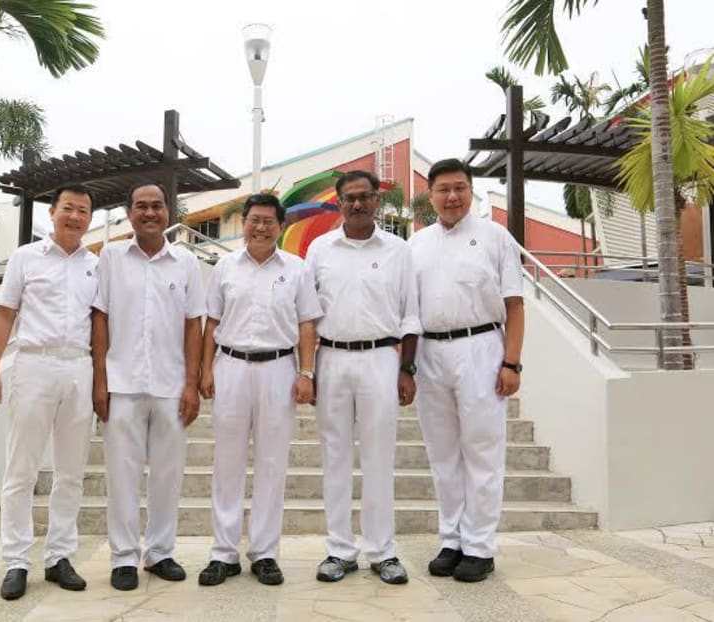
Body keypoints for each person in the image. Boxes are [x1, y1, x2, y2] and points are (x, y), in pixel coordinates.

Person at [409, 158, 524, 583]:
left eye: (460, 188)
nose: (452, 196)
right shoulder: (415, 244)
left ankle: (479, 546)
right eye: (443, 189)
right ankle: (451, 540)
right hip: (430, 352)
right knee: (443, 454)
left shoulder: (495, 237)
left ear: (470, 191)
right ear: (431, 194)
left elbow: (514, 305)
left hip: (480, 349)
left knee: (482, 451)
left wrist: (511, 362)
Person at [197, 193, 322, 586]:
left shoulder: (298, 269)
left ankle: (266, 553)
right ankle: (223, 553)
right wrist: (205, 370)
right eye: (254, 219)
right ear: (244, 222)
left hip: (279, 370)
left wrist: (307, 373)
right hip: (231, 366)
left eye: (269, 220)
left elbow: (307, 325)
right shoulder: (225, 268)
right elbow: (212, 324)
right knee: (227, 464)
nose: (260, 226)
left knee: (272, 464)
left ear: (280, 226)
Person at [0, 184, 98, 601]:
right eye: (68, 208)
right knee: (21, 469)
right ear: (52, 212)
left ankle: (59, 557)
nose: (75, 216)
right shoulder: (25, 258)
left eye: (83, 211)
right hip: (34, 364)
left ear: (90, 218)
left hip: (78, 367)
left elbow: (100, 326)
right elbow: (4, 314)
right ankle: (16, 561)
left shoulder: (95, 265)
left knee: (70, 471)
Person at [304, 170, 421, 585]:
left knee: (378, 457)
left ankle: (383, 552)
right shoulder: (319, 249)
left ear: (377, 200)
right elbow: (307, 315)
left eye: (365, 197)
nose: (357, 204)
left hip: (381, 359)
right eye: (349, 198)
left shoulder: (398, 250)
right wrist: (309, 370)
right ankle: (339, 550)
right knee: (334, 457)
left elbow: (410, 316)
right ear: (338, 202)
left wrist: (407, 369)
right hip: (332, 358)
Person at [91, 183, 205, 591]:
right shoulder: (110, 257)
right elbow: (99, 317)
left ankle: (160, 553)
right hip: (122, 382)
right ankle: (123, 558)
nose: (150, 213)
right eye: (141, 206)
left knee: (167, 474)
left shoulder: (186, 262)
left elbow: (196, 324)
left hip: (172, 385)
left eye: (157, 206)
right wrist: (100, 379)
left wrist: (191, 384)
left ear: (168, 211)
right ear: (129, 212)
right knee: (121, 473)